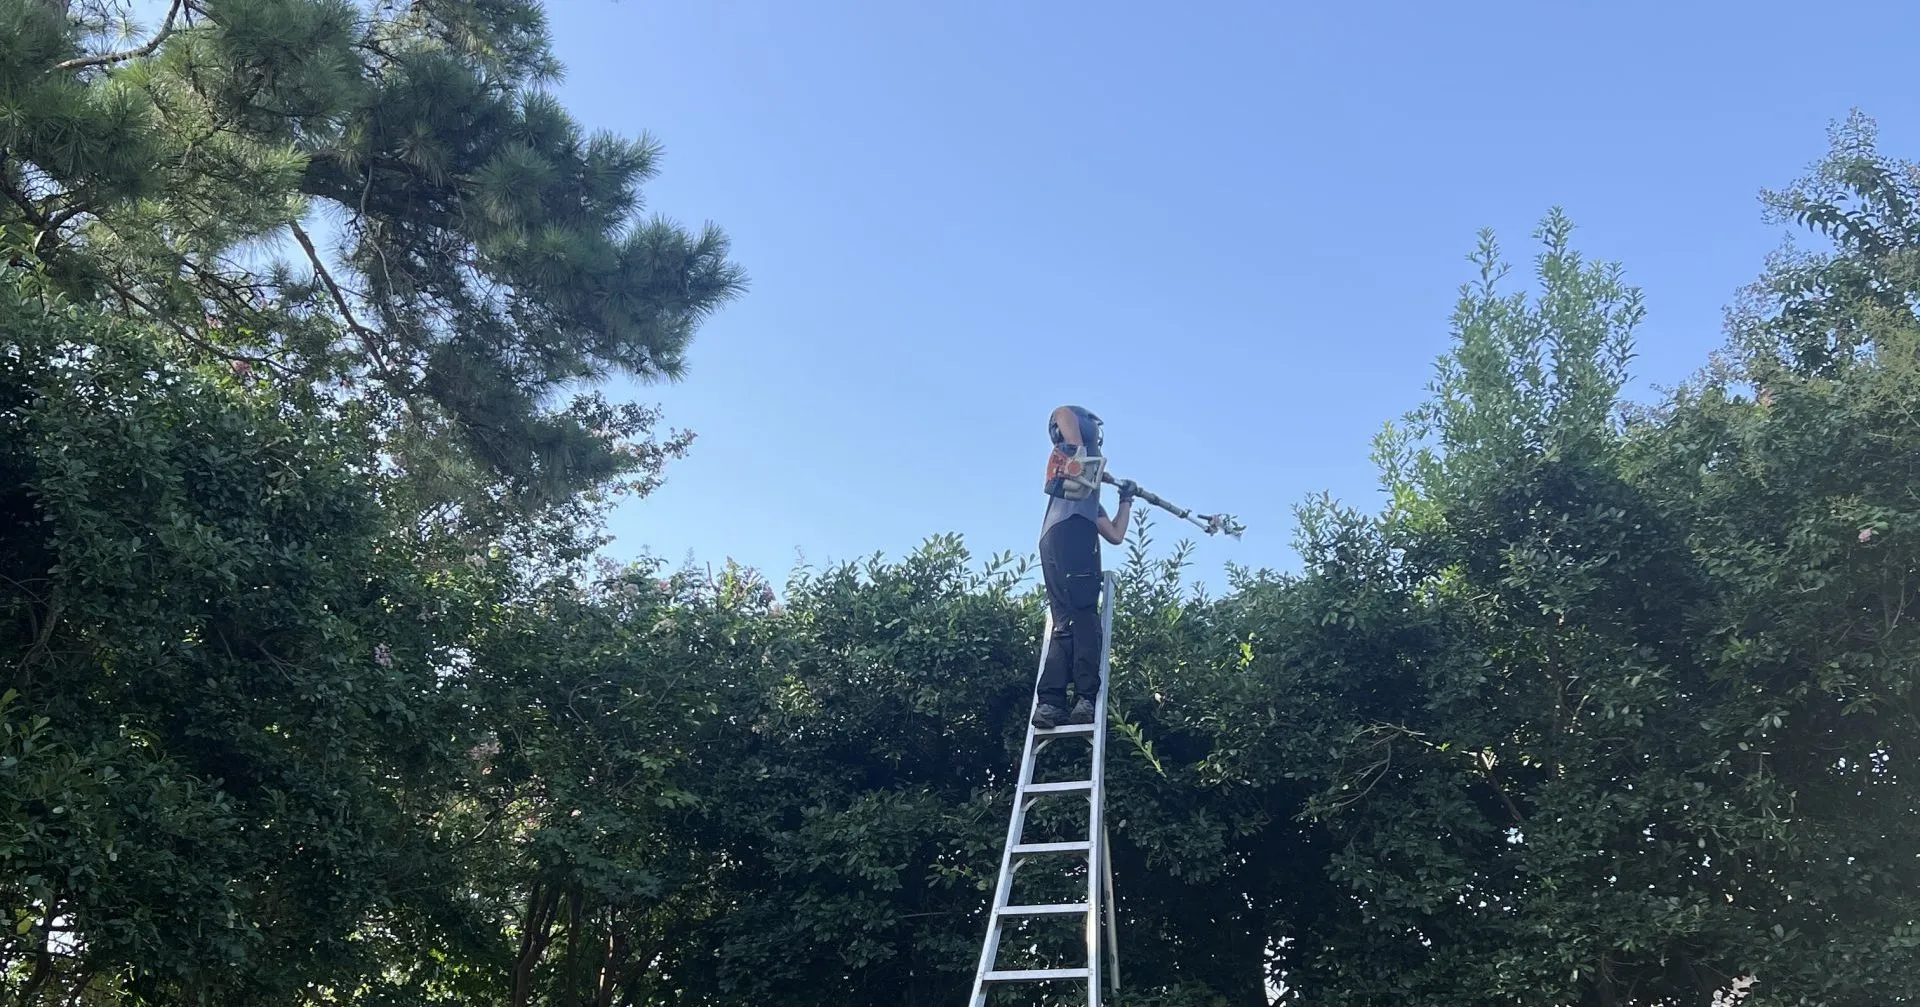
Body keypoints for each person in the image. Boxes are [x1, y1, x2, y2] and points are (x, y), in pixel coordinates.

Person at [1034, 405, 1134, 729]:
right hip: (1074, 533)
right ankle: (1085, 697)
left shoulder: (1089, 498)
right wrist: (1078, 450)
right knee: (1086, 617)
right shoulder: (1071, 420)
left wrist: (1126, 500)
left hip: (1052, 541)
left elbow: (1116, 535)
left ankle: (1050, 703)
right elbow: (1062, 414)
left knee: (1065, 622)